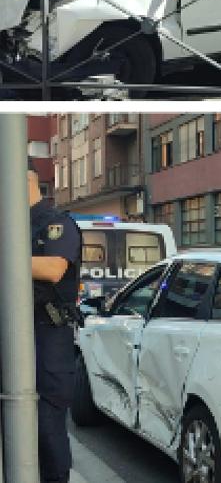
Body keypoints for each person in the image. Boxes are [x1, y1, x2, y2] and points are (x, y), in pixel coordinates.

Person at [28, 158, 83, 483]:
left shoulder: (55, 223)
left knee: (47, 434)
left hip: (47, 340)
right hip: (14, 338)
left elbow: (53, 268)